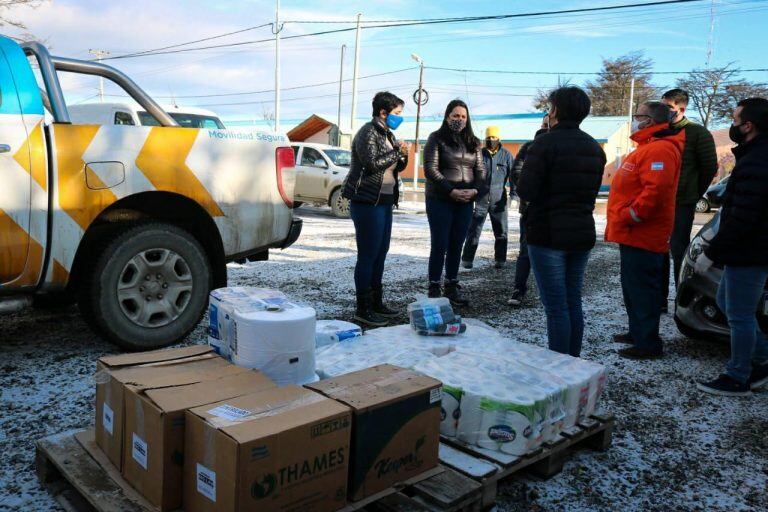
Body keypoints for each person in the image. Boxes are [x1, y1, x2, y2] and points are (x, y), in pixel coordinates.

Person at [517, 87, 605, 357]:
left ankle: (560, 368)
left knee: (556, 307)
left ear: (555, 111)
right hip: (581, 233)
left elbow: (526, 190)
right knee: (572, 301)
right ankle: (573, 363)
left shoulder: (544, 143)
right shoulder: (594, 147)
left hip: (548, 233)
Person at [695, 98, 768, 396]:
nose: (732, 123)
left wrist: (711, 253)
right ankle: (762, 356)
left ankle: (738, 376)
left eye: (735, 118)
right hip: (748, 249)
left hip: (750, 251)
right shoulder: (754, 154)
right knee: (727, 303)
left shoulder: (758, 160)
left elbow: (743, 218)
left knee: (738, 313)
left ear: (748, 125)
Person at [606, 101, 684, 360]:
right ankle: (637, 332)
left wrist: (631, 215)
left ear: (649, 121)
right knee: (632, 287)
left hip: (643, 233)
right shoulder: (648, 147)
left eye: (637, 115)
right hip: (632, 232)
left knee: (643, 290)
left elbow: (655, 192)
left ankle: (648, 343)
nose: (634, 120)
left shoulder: (660, 150)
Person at [342, 91, 409, 326]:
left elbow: (395, 166)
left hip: (385, 202)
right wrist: (396, 152)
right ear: (383, 112)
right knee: (368, 255)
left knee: (381, 253)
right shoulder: (368, 132)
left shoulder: (388, 135)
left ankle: (377, 302)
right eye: (397, 113)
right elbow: (371, 165)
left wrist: (403, 156)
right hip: (367, 202)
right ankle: (363, 308)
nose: (399, 118)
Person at [424, 99, 486, 306]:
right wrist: (451, 191)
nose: (459, 120)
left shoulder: (475, 143)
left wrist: (475, 190)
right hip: (440, 199)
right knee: (440, 243)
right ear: (447, 116)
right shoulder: (436, 139)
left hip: (466, 201)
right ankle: (434, 285)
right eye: (455, 116)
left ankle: (451, 285)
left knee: (456, 244)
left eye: (463, 116)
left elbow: (481, 171)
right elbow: (431, 170)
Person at [660, 89, 718, 311]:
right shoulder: (661, 132)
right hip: (659, 202)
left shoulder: (697, 133)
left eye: (669, 107)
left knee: (678, 250)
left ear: (681, 109)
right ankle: (659, 300)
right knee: (658, 251)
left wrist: (692, 193)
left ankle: (680, 302)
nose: (665, 111)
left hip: (681, 203)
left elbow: (709, 167)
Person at [508, 115, 549, 307]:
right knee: (526, 251)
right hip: (530, 209)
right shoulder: (528, 147)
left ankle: (548, 292)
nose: (547, 126)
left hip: (555, 212)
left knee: (552, 253)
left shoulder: (566, 146)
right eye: (544, 123)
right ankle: (519, 288)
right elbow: (516, 172)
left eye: (550, 123)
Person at [460, 126, 514, 269]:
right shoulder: (479, 154)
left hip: (499, 200)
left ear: (499, 138)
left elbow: (514, 177)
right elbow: (470, 174)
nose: (491, 140)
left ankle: (500, 260)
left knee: (501, 231)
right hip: (480, 199)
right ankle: (467, 259)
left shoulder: (506, 155)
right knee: (474, 230)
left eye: (494, 137)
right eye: (489, 137)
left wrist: (514, 195)